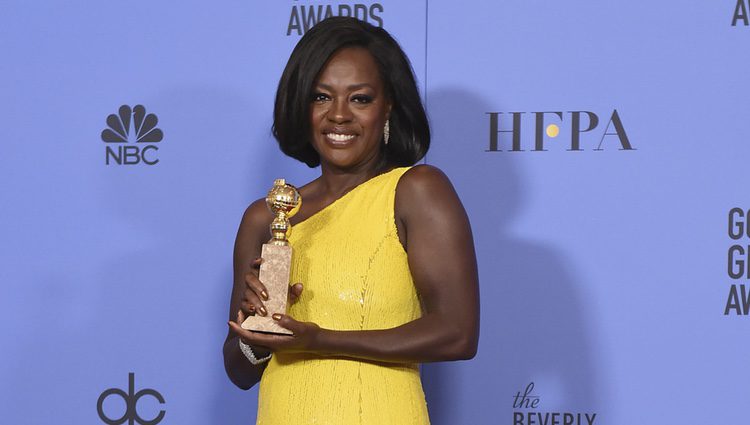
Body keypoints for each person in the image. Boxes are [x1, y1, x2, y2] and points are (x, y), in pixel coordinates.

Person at [223, 16, 479, 424]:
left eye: (359, 98)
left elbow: (458, 334)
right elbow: (238, 371)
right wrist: (257, 323)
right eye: (321, 97)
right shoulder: (268, 215)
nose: (338, 115)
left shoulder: (416, 191)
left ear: (389, 105)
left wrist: (320, 340)